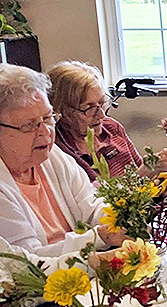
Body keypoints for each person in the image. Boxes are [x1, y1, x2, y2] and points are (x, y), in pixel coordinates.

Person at [0, 64, 125, 257]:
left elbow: (91, 207)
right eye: (29, 125)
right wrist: (99, 238)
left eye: (48, 117)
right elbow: (28, 263)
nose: (46, 132)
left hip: (84, 273)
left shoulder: (51, 157)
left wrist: (122, 219)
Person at [47, 61, 167, 181]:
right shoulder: (60, 152)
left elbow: (141, 172)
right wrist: (146, 171)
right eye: (89, 108)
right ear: (62, 111)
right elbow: (101, 201)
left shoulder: (111, 127)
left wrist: (157, 179)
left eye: (102, 103)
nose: (101, 115)